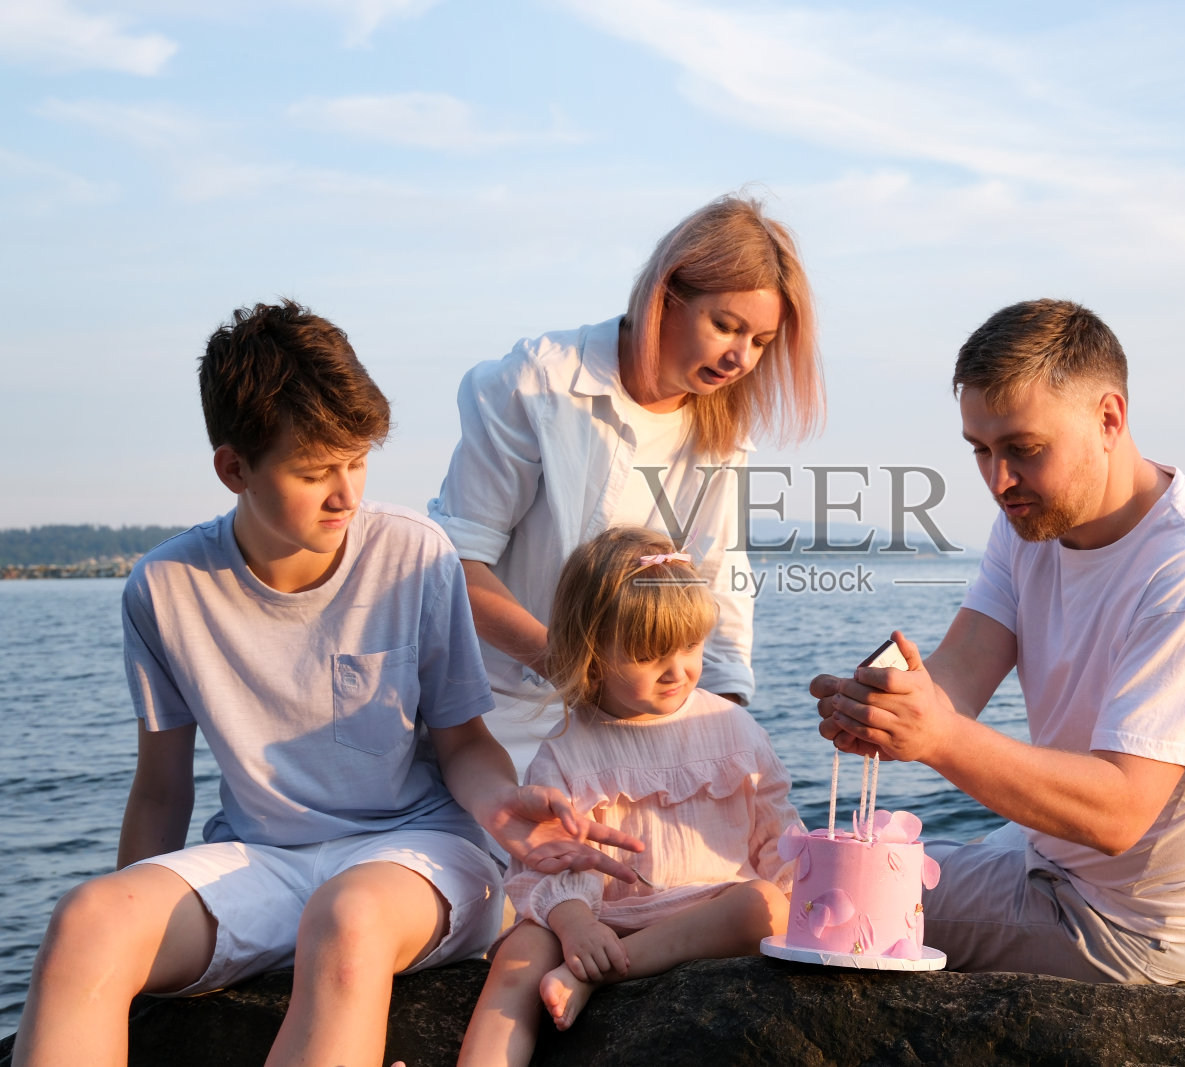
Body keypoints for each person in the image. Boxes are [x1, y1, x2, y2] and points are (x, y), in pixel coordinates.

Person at [12, 302, 643, 1067]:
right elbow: (160, 790)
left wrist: (501, 808)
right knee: (86, 922)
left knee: (347, 917)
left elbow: (464, 742)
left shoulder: (415, 554)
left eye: (357, 460)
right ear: (234, 469)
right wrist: (135, 927)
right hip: (260, 860)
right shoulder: (163, 587)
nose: (346, 493)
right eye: (313, 472)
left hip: (420, 856)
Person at [810, 299, 1185, 984]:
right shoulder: (1030, 521)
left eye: (1024, 449)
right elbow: (962, 671)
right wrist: (891, 706)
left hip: (1129, 922)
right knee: (822, 859)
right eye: (981, 450)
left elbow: (1119, 812)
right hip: (1052, 856)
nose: (999, 480)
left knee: (816, 898)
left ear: (1109, 419)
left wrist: (937, 735)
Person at [429, 194, 825, 772]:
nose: (741, 358)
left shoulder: (722, 430)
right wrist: (579, 674)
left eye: (761, 342)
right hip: (500, 716)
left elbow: (718, 575)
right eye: (725, 326)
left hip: (642, 724)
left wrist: (721, 718)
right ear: (666, 296)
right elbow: (459, 565)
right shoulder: (538, 382)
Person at [457, 525, 800, 1066]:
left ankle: (599, 974)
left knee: (765, 906)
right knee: (521, 952)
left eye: (690, 646)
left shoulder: (734, 729)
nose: (677, 671)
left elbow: (778, 833)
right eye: (648, 655)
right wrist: (575, 923)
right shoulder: (569, 748)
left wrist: (807, 893)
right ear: (591, 653)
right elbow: (551, 861)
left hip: (707, 911)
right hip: (604, 919)